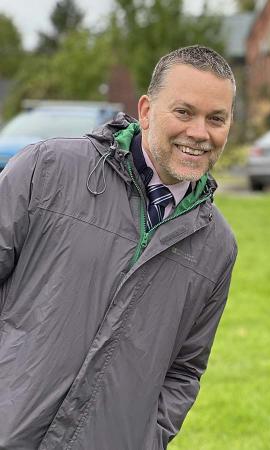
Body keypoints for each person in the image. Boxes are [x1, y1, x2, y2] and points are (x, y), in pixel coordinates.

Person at [0, 45, 237, 448]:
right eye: (183, 112)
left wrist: (146, 438)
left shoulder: (218, 246)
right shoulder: (47, 170)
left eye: (216, 118)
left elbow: (184, 370)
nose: (199, 133)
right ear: (146, 111)